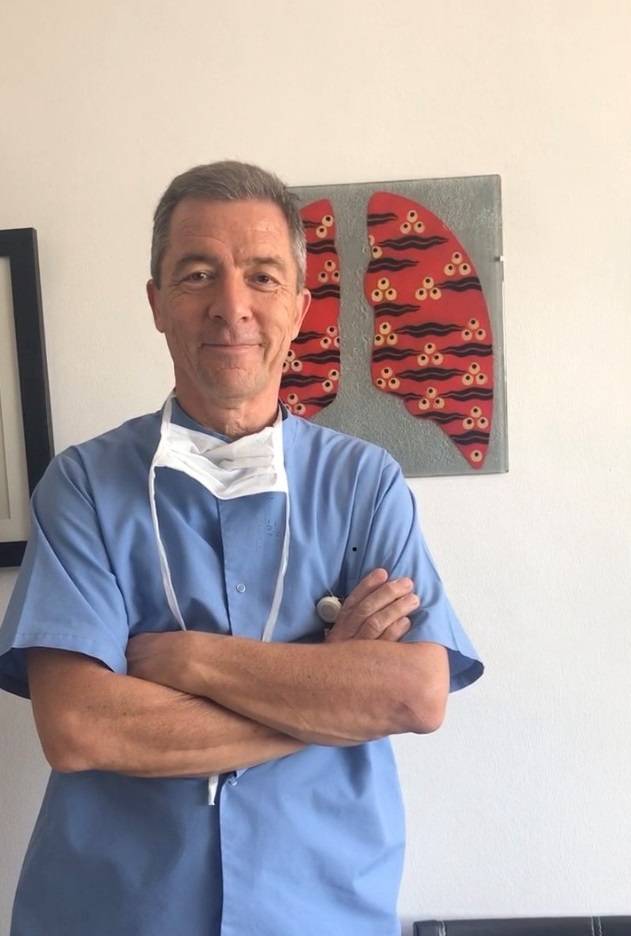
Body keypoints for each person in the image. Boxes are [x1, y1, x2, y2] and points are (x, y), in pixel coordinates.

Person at [0, 161, 483, 936]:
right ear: (157, 304)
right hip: (115, 913)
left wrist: (191, 660)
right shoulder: (84, 484)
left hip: (318, 912)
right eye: (197, 275)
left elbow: (413, 697)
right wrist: (327, 692)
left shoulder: (363, 484)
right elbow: (81, 728)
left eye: (262, 276)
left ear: (298, 305)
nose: (232, 307)